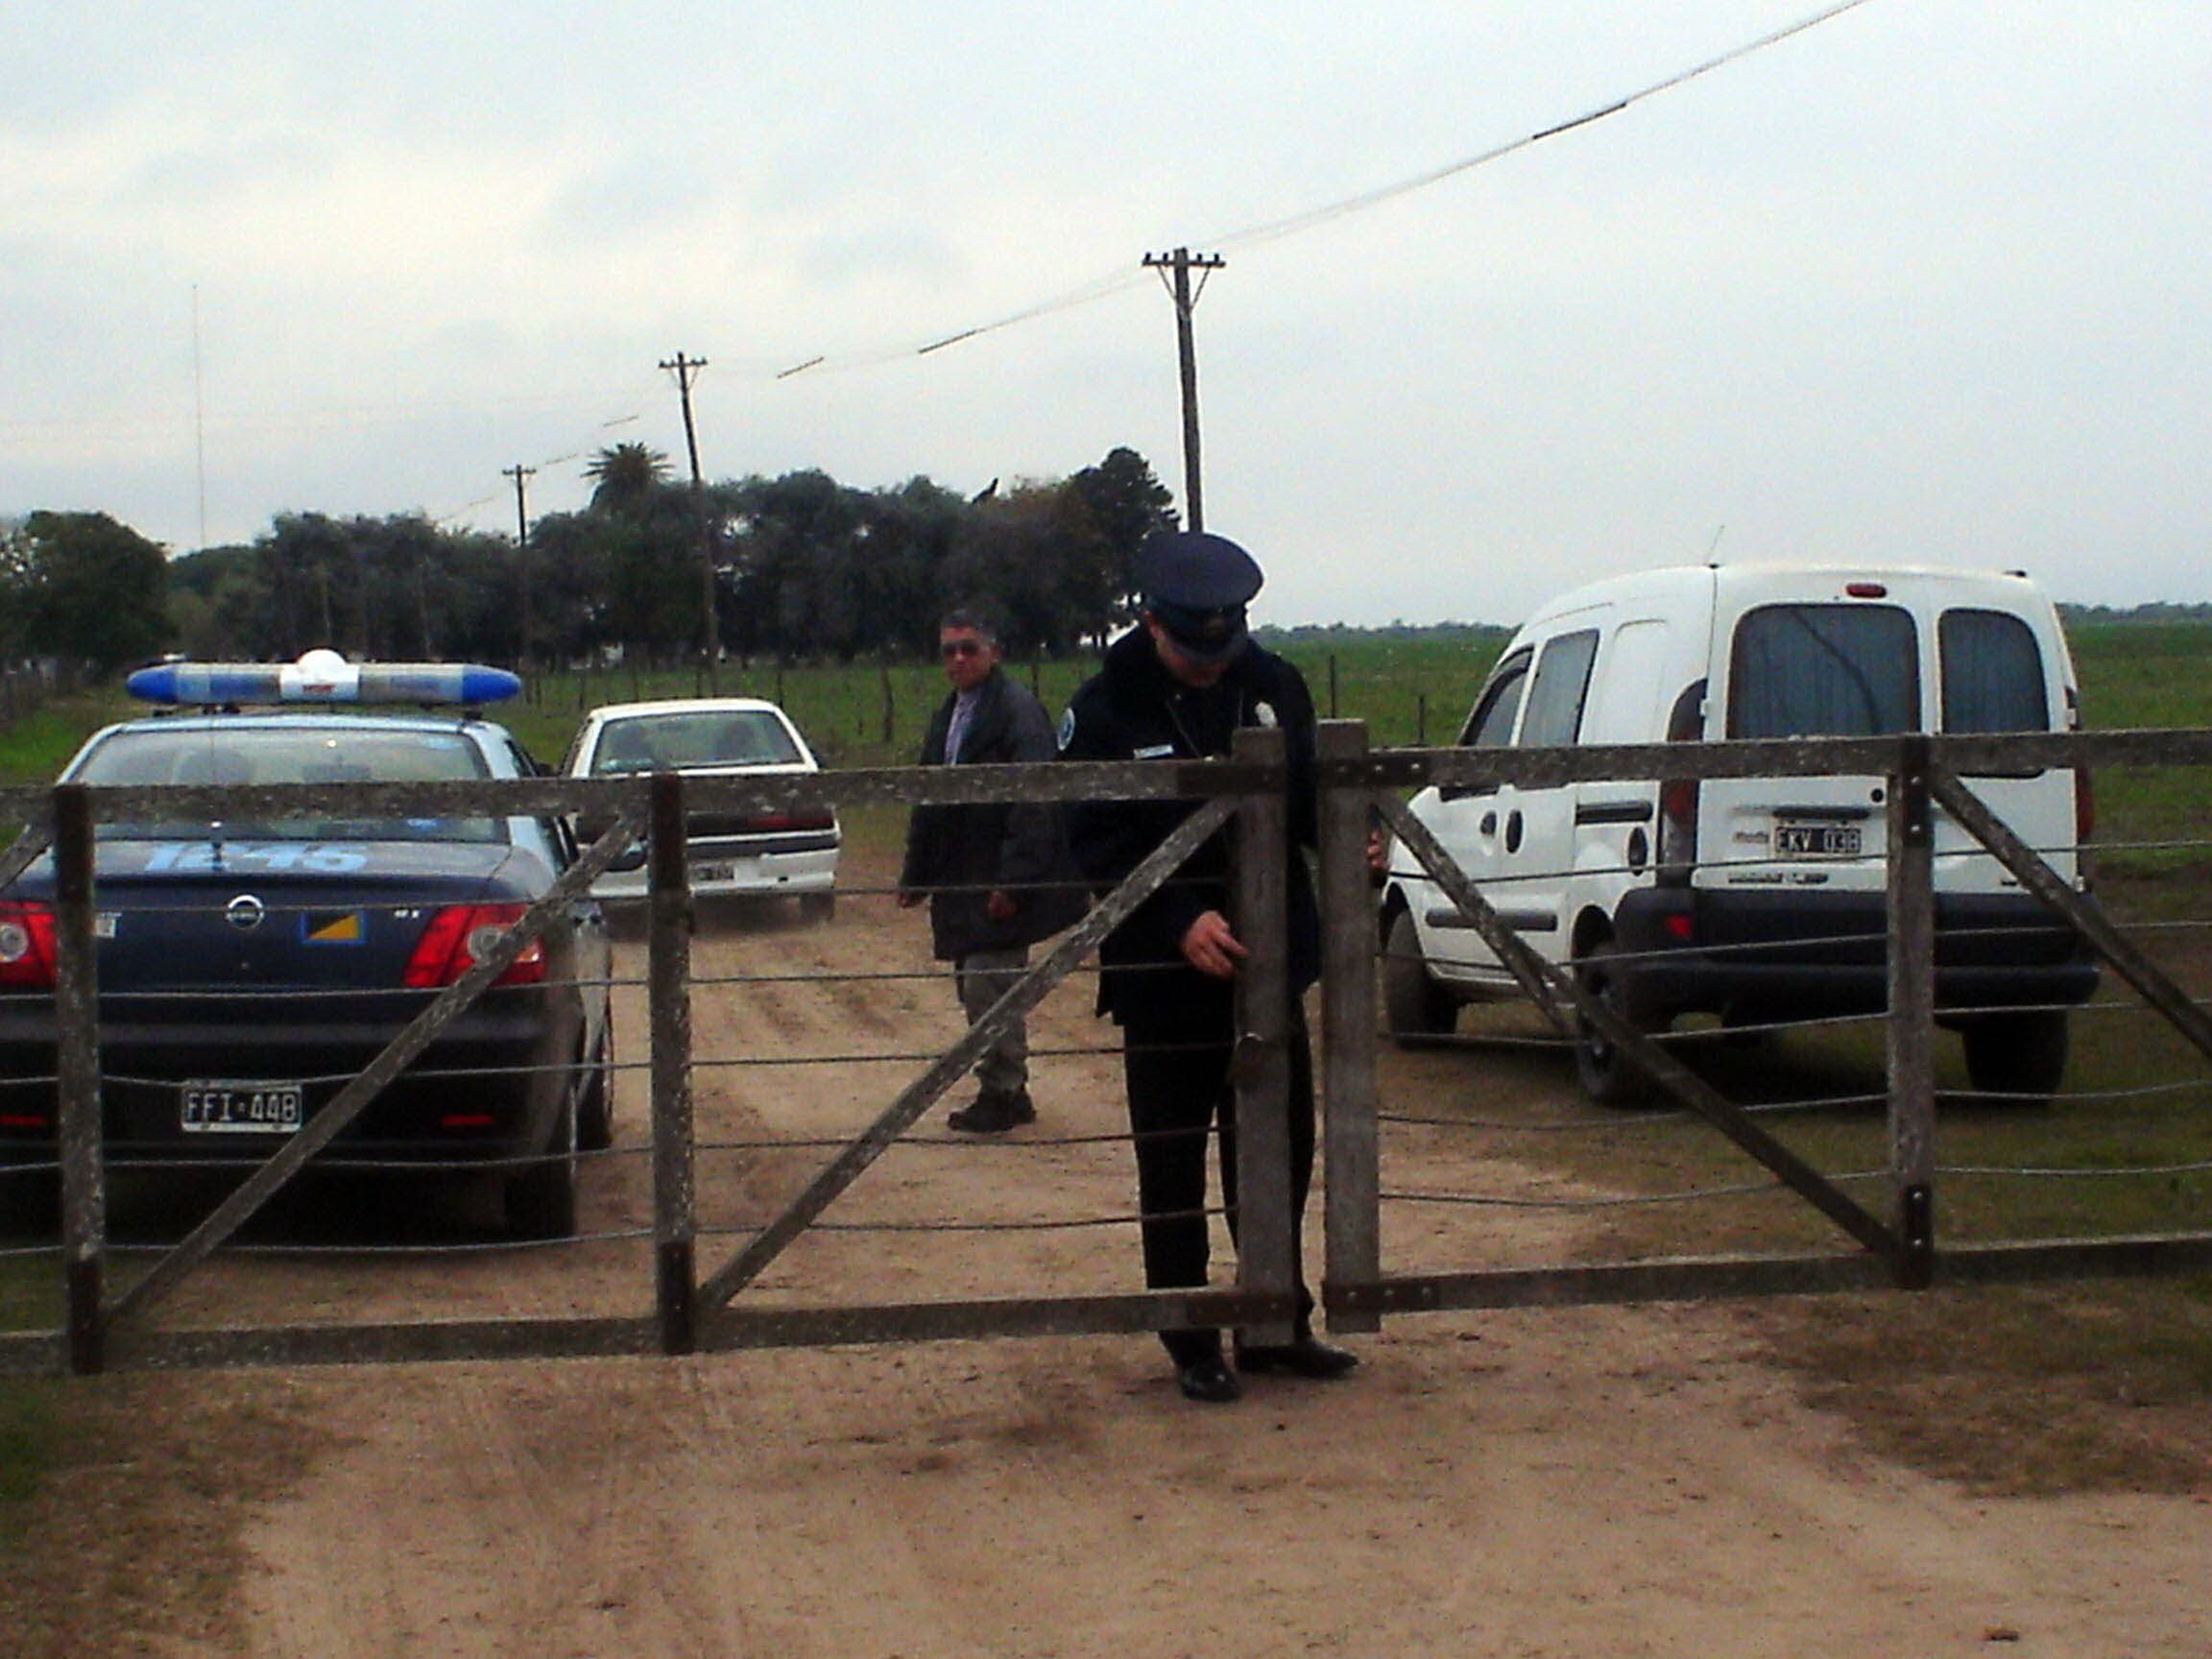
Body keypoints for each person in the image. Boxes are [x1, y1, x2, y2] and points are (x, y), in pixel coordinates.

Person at [1059, 531, 1358, 1404]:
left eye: (1222, 643)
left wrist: (1353, 837)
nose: (1207, 662)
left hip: (1269, 972)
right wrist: (1175, 918)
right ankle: (1189, 1335)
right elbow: (1094, 842)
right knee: (1172, 1159)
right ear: (1152, 623)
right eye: (1193, 646)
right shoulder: (1106, 709)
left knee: (1277, 1152)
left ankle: (1274, 1323)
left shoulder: (1271, 686)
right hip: (1163, 981)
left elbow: (1307, 802)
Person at [899, 607, 1085, 1133]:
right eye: (949, 650)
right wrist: (917, 872)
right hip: (962, 875)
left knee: (989, 982)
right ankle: (1002, 1086)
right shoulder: (951, 713)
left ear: (993, 653)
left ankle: (1005, 1090)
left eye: (969, 648)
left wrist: (1015, 882)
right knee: (973, 982)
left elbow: (1035, 801)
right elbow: (928, 793)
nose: (958, 659)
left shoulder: (1017, 712)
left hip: (999, 874)